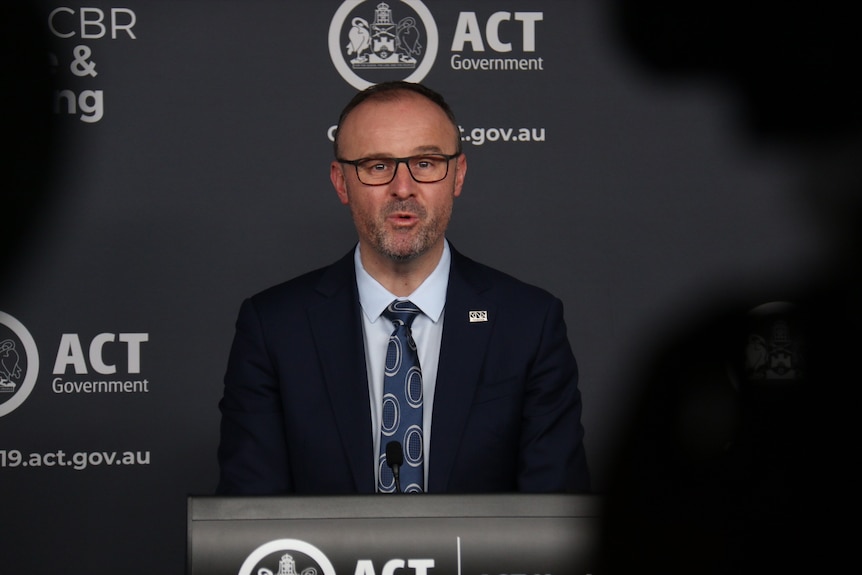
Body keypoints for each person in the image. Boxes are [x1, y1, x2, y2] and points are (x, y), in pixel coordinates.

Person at [216, 81, 589, 495]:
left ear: (458, 175)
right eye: (377, 166)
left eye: (426, 163)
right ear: (341, 182)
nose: (403, 188)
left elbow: (554, 516)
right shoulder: (273, 328)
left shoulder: (529, 323)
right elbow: (249, 519)